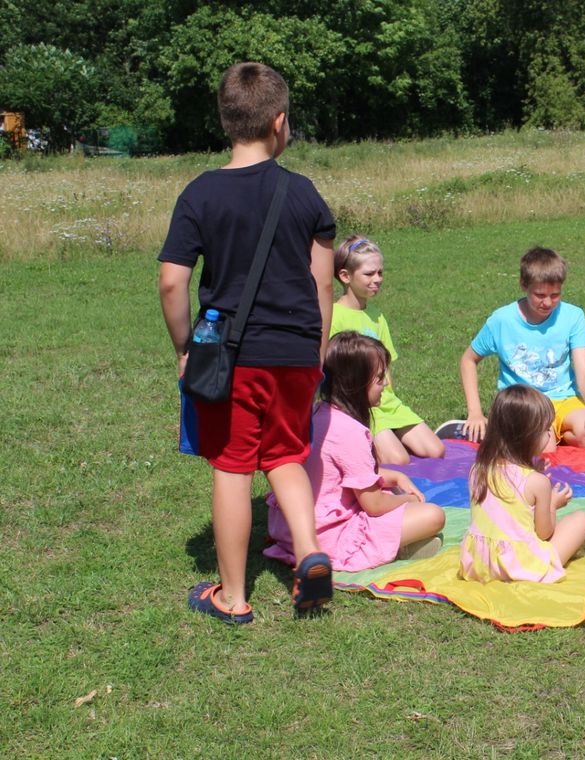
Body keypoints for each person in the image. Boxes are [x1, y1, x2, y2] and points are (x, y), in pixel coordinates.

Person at [158, 62, 336, 624]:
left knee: (233, 465)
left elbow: (171, 280)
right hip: (297, 351)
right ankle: (309, 554)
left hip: (233, 355)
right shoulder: (304, 193)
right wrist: (318, 351)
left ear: (226, 121)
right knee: (285, 454)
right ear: (280, 122)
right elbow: (323, 283)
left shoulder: (200, 193)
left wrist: (185, 347)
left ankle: (233, 598)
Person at [265, 332, 446, 572]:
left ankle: (398, 544)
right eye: (380, 378)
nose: (386, 384)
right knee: (433, 515)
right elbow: (374, 504)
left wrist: (395, 476)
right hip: (327, 536)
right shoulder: (349, 431)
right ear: (356, 382)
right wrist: (408, 500)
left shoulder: (319, 412)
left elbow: (340, 473)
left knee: (390, 489)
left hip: (286, 527)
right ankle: (392, 548)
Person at [459, 246, 585, 450]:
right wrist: (475, 412)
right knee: (545, 447)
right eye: (540, 295)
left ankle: (541, 433)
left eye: (555, 295)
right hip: (525, 403)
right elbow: (468, 360)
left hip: (563, 399)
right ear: (524, 285)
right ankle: (522, 432)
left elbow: (584, 372)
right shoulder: (501, 320)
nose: (547, 302)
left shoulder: (573, 316)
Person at [458, 385, 585, 583]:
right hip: (522, 567)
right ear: (528, 436)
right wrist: (552, 505)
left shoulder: (477, 470)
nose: (550, 435)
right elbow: (544, 533)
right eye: (546, 429)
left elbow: (508, 509)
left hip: (479, 564)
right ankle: (575, 546)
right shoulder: (537, 483)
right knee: (581, 520)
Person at [330, 234, 444, 464]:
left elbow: (387, 365)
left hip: (386, 402)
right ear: (345, 276)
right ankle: (371, 443)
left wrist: (390, 397)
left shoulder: (377, 316)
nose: (378, 279)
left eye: (380, 272)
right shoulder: (334, 316)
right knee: (398, 460)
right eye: (369, 273)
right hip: (358, 405)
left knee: (435, 450)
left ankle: (388, 436)